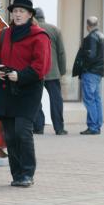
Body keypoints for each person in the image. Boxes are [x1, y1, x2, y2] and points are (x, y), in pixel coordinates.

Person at [0, 0, 51, 187]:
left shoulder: (40, 36)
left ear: (30, 15)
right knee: (10, 135)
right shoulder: (4, 34)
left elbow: (41, 67)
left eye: (22, 11)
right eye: (15, 11)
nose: (18, 14)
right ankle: (17, 174)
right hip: (6, 89)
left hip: (28, 91)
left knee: (22, 131)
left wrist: (19, 76)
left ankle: (27, 173)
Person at [32, 7, 68, 136]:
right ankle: (59, 128)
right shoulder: (55, 30)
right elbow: (61, 53)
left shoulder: (32, 30)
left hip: (36, 72)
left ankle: (38, 127)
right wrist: (62, 71)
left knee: (35, 99)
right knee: (56, 100)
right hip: (53, 72)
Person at [73, 16, 104, 135]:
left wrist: (84, 68)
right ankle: (97, 125)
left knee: (89, 99)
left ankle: (93, 126)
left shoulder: (91, 37)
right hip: (98, 73)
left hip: (90, 72)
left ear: (88, 26)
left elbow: (90, 56)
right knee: (96, 99)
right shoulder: (102, 36)